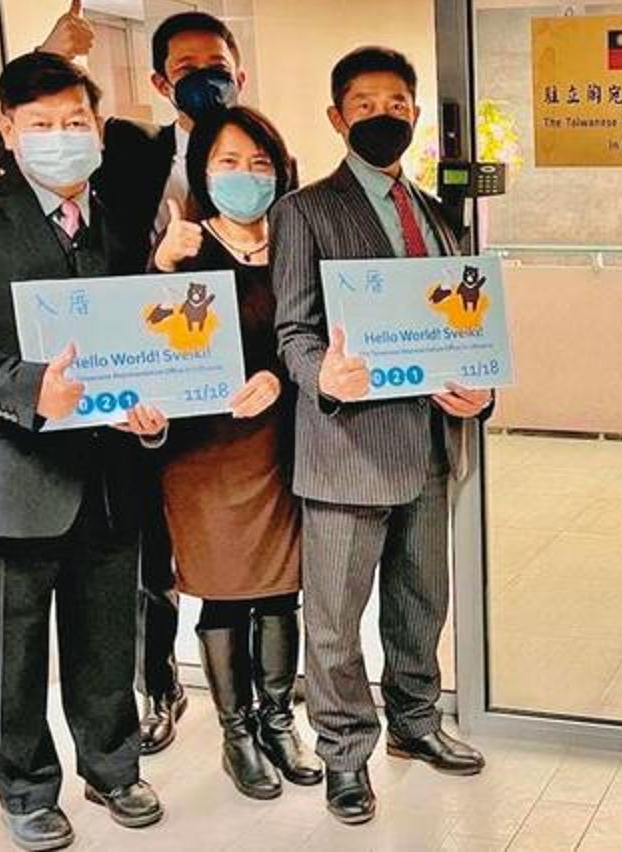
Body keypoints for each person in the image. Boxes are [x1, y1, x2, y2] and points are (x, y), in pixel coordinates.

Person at [0, 52, 168, 851]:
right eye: (40, 123)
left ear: (99, 130)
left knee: (106, 639)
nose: (60, 136)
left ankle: (113, 767)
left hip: (110, 474)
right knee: (12, 652)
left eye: (75, 121)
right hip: (5, 473)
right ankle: (25, 788)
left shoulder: (122, 220)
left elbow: (144, 337)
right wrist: (25, 387)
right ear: (6, 131)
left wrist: (153, 413)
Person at [271, 45, 493, 826]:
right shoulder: (304, 211)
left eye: (397, 104)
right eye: (365, 105)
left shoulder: (436, 213)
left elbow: (466, 326)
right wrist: (323, 378)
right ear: (338, 118)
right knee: (335, 619)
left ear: (416, 115)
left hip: (431, 442)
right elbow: (293, 329)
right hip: (346, 450)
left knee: (421, 601)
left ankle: (415, 720)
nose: (382, 117)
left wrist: (480, 392)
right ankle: (343, 753)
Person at [38, 1, 250, 754]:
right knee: (148, 555)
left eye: (216, 66)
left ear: (239, 71)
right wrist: (56, 55)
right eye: (187, 68)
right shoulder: (128, 153)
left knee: (237, 549)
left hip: (236, 397)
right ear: (161, 82)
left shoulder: (262, 157)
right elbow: (28, 148)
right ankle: (159, 685)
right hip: (151, 386)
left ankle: (251, 706)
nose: (205, 79)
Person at [149, 106, 324, 800]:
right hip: (204, 457)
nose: (245, 175)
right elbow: (146, 343)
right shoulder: (185, 245)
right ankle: (237, 733)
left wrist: (279, 378)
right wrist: (160, 266)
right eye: (228, 162)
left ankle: (279, 722)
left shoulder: (297, 241)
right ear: (202, 171)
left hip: (282, 447)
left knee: (282, 588)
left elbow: (314, 334)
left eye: (260, 163)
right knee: (223, 592)